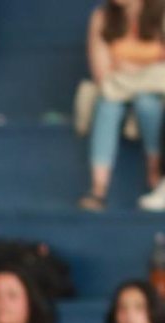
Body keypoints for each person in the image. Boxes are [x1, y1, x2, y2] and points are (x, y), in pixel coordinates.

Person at [82, 1, 165, 212]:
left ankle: (155, 175)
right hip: (116, 90)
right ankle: (98, 189)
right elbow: (102, 74)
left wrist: (129, 70)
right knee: (107, 106)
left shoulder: (161, 11)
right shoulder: (102, 17)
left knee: (147, 104)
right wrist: (145, 71)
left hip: (150, 92)